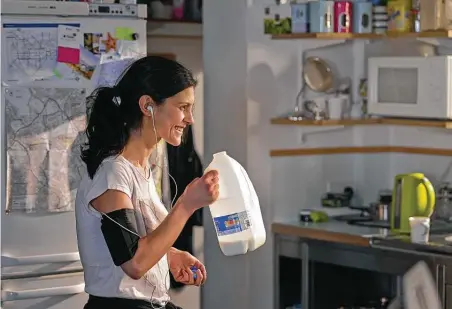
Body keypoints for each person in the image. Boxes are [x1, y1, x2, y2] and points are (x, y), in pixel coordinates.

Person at [74, 56, 219, 309]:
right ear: (147, 106)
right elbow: (135, 262)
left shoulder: (140, 169)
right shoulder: (113, 174)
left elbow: (133, 242)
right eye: (183, 107)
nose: (190, 119)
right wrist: (186, 205)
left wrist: (169, 256)